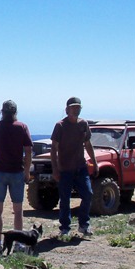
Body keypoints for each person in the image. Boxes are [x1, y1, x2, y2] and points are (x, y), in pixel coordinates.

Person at [0, 100, 33, 249]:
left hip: (0, 173)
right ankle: (18, 242)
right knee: (18, 211)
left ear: (2, 112)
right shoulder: (22, 127)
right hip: (17, 172)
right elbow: (28, 151)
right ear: (15, 112)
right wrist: (27, 171)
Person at [51, 97, 99, 237]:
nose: (76, 109)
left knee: (88, 194)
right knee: (65, 199)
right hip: (65, 169)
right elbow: (54, 148)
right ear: (67, 110)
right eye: (73, 107)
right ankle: (65, 228)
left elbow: (88, 144)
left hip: (81, 167)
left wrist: (95, 162)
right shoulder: (60, 126)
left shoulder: (83, 124)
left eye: (78, 107)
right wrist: (55, 168)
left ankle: (83, 224)